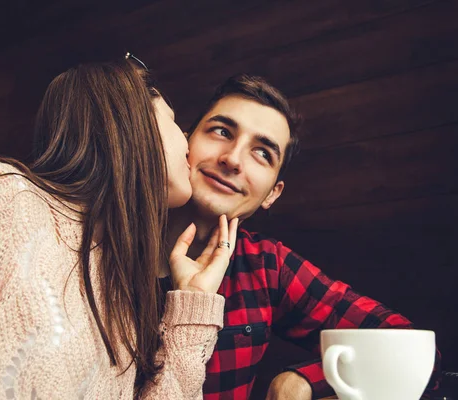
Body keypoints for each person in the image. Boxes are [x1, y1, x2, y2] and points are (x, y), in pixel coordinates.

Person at [0, 56, 238, 399]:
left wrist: (194, 304)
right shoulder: (4, 198)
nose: (186, 139)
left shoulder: (124, 293)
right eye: (174, 122)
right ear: (132, 119)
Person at [163, 74, 441, 399]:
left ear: (272, 194)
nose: (233, 159)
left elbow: (409, 346)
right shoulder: (103, 241)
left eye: (263, 153)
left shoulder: (266, 265)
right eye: (221, 131)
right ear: (184, 143)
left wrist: (304, 379)